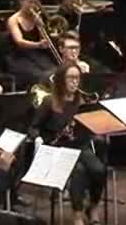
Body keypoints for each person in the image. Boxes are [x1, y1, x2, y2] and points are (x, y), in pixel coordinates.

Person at [31, 63, 105, 225]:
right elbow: (34, 127)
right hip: (56, 149)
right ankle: (77, 214)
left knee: (99, 170)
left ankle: (93, 206)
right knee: (79, 172)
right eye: (70, 78)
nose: (74, 82)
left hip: (79, 146)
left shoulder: (82, 101)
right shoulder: (49, 101)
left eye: (77, 78)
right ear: (60, 80)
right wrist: (38, 139)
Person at [6, 0, 56, 89]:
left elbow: (44, 40)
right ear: (22, 2)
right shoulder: (13, 20)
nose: (32, 5)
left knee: (55, 71)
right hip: (19, 56)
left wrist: (41, 25)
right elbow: (19, 41)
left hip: (36, 54)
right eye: (30, 2)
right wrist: (38, 45)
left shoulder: (36, 17)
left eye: (35, 3)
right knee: (40, 75)